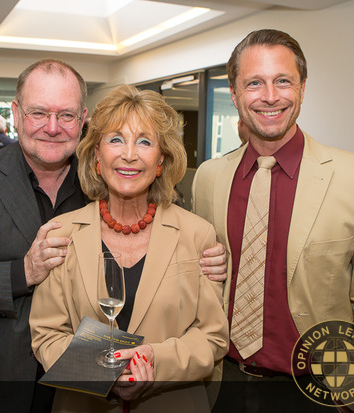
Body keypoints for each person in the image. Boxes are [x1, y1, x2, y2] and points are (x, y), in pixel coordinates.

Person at [0, 58, 228, 413]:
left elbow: (210, 333)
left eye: (66, 115)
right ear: (16, 113)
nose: (52, 127)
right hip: (19, 380)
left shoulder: (188, 227)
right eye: (38, 113)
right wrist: (26, 271)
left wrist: (147, 363)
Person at [192, 29, 354, 413]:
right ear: (234, 94)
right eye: (254, 83)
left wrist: (353, 397)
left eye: (283, 81)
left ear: (302, 88)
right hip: (219, 386)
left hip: (318, 393)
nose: (269, 96)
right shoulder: (208, 178)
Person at [29, 84, 229, 413]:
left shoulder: (197, 234)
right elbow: (47, 333)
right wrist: (103, 373)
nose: (130, 154)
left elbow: (212, 337)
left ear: (161, 159)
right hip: (84, 403)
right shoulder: (61, 233)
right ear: (96, 155)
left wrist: (153, 362)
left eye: (145, 141)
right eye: (116, 139)